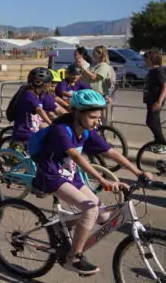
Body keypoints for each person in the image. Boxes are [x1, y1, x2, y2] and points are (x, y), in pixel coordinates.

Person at [31, 90, 151, 275]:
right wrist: (103, 180)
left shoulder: (88, 131)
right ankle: (74, 257)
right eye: (93, 117)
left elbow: (111, 152)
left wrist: (138, 171)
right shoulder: (61, 129)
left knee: (103, 216)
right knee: (90, 209)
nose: (97, 121)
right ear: (76, 113)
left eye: (99, 117)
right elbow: (76, 157)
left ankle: (60, 225)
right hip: (51, 176)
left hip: (70, 176)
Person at [78, 46, 115, 123]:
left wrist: (83, 67)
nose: (92, 54)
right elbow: (86, 75)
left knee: (98, 115)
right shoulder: (94, 64)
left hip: (98, 94)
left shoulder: (104, 66)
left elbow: (94, 77)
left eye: (94, 52)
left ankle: (102, 131)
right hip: (89, 92)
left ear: (100, 54)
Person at [143, 50, 166, 153]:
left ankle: (162, 143)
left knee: (151, 121)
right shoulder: (152, 71)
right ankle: (159, 143)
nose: (144, 61)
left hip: (155, 100)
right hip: (151, 100)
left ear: (152, 59)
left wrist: (159, 101)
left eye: (146, 59)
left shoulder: (158, 71)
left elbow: (165, 87)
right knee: (155, 122)